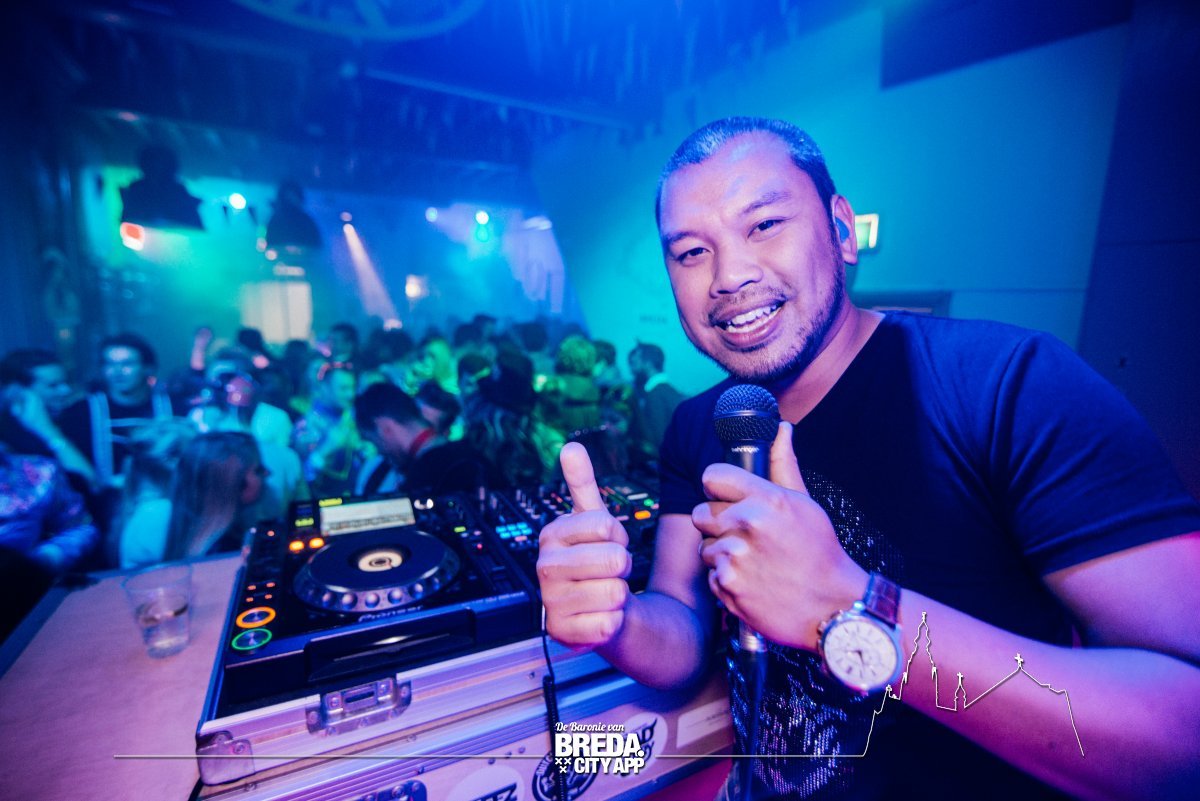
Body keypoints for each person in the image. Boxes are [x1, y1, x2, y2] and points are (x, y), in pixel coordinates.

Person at [536, 117, 1200, 800]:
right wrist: (617, 620)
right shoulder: (699, 424)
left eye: (764, 224)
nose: (729, 276)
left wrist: (849, 607)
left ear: (842, 231)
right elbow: (681, 630)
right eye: (691, 252)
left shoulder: (1009, 385)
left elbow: (1184, 738)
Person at [354, 382, 495, 496]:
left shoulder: (420, 483)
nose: (380, 451)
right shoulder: (475, 457)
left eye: (375, 441)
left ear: (385, 428)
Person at [163, 431, 266, 560]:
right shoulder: (232, 552)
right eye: (258, 470)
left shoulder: (180, 535)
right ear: (233, 484)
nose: (267, 473)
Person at [627, 342, 683, 466]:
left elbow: (657, 438)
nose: (632, 369)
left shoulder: (655, 394)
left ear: (648, 364)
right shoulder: (666, 391)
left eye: (636, 362)